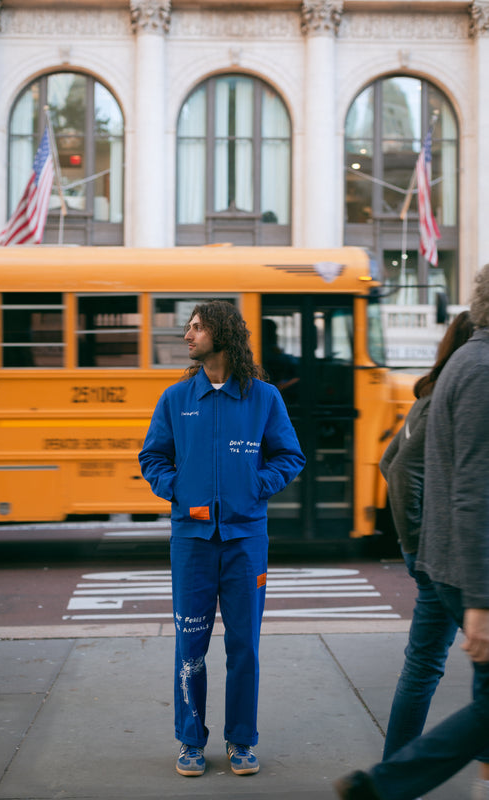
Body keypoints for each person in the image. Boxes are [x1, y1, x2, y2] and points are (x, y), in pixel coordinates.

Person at [334, 264, 489, 800]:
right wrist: (417, 545)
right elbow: (401, 468)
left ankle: (390, 777)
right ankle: (389, 781)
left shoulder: (443, 380)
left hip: (445, 559)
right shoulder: (472, 376)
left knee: (436, 670)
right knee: (447, 672)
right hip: (457, 564)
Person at [139, 300, 305, 779]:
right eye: (188, 328)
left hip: (245, 540)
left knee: (244, 646)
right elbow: (152, 458)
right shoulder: (176, 399)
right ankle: (190, 742)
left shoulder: (264, 399)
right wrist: (179, 491)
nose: (188, 336)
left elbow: (289, 457)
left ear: (222, 335)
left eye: (196, 328)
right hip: (191, 541)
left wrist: (255, 488)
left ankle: (241, 740)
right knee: (190, 646)